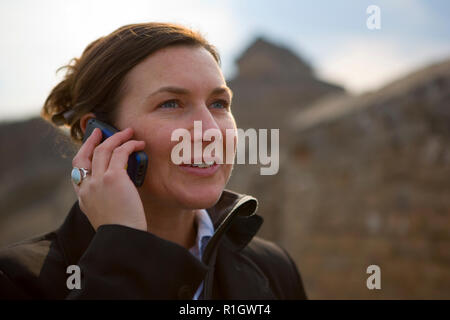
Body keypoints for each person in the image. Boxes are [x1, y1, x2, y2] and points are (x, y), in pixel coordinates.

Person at [0, 22, 307, 299]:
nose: (211, 131)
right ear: (98, 134)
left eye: (218, 103)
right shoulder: (16, 281)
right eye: (171, 103)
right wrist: (121, 251)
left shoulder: (273, 269)